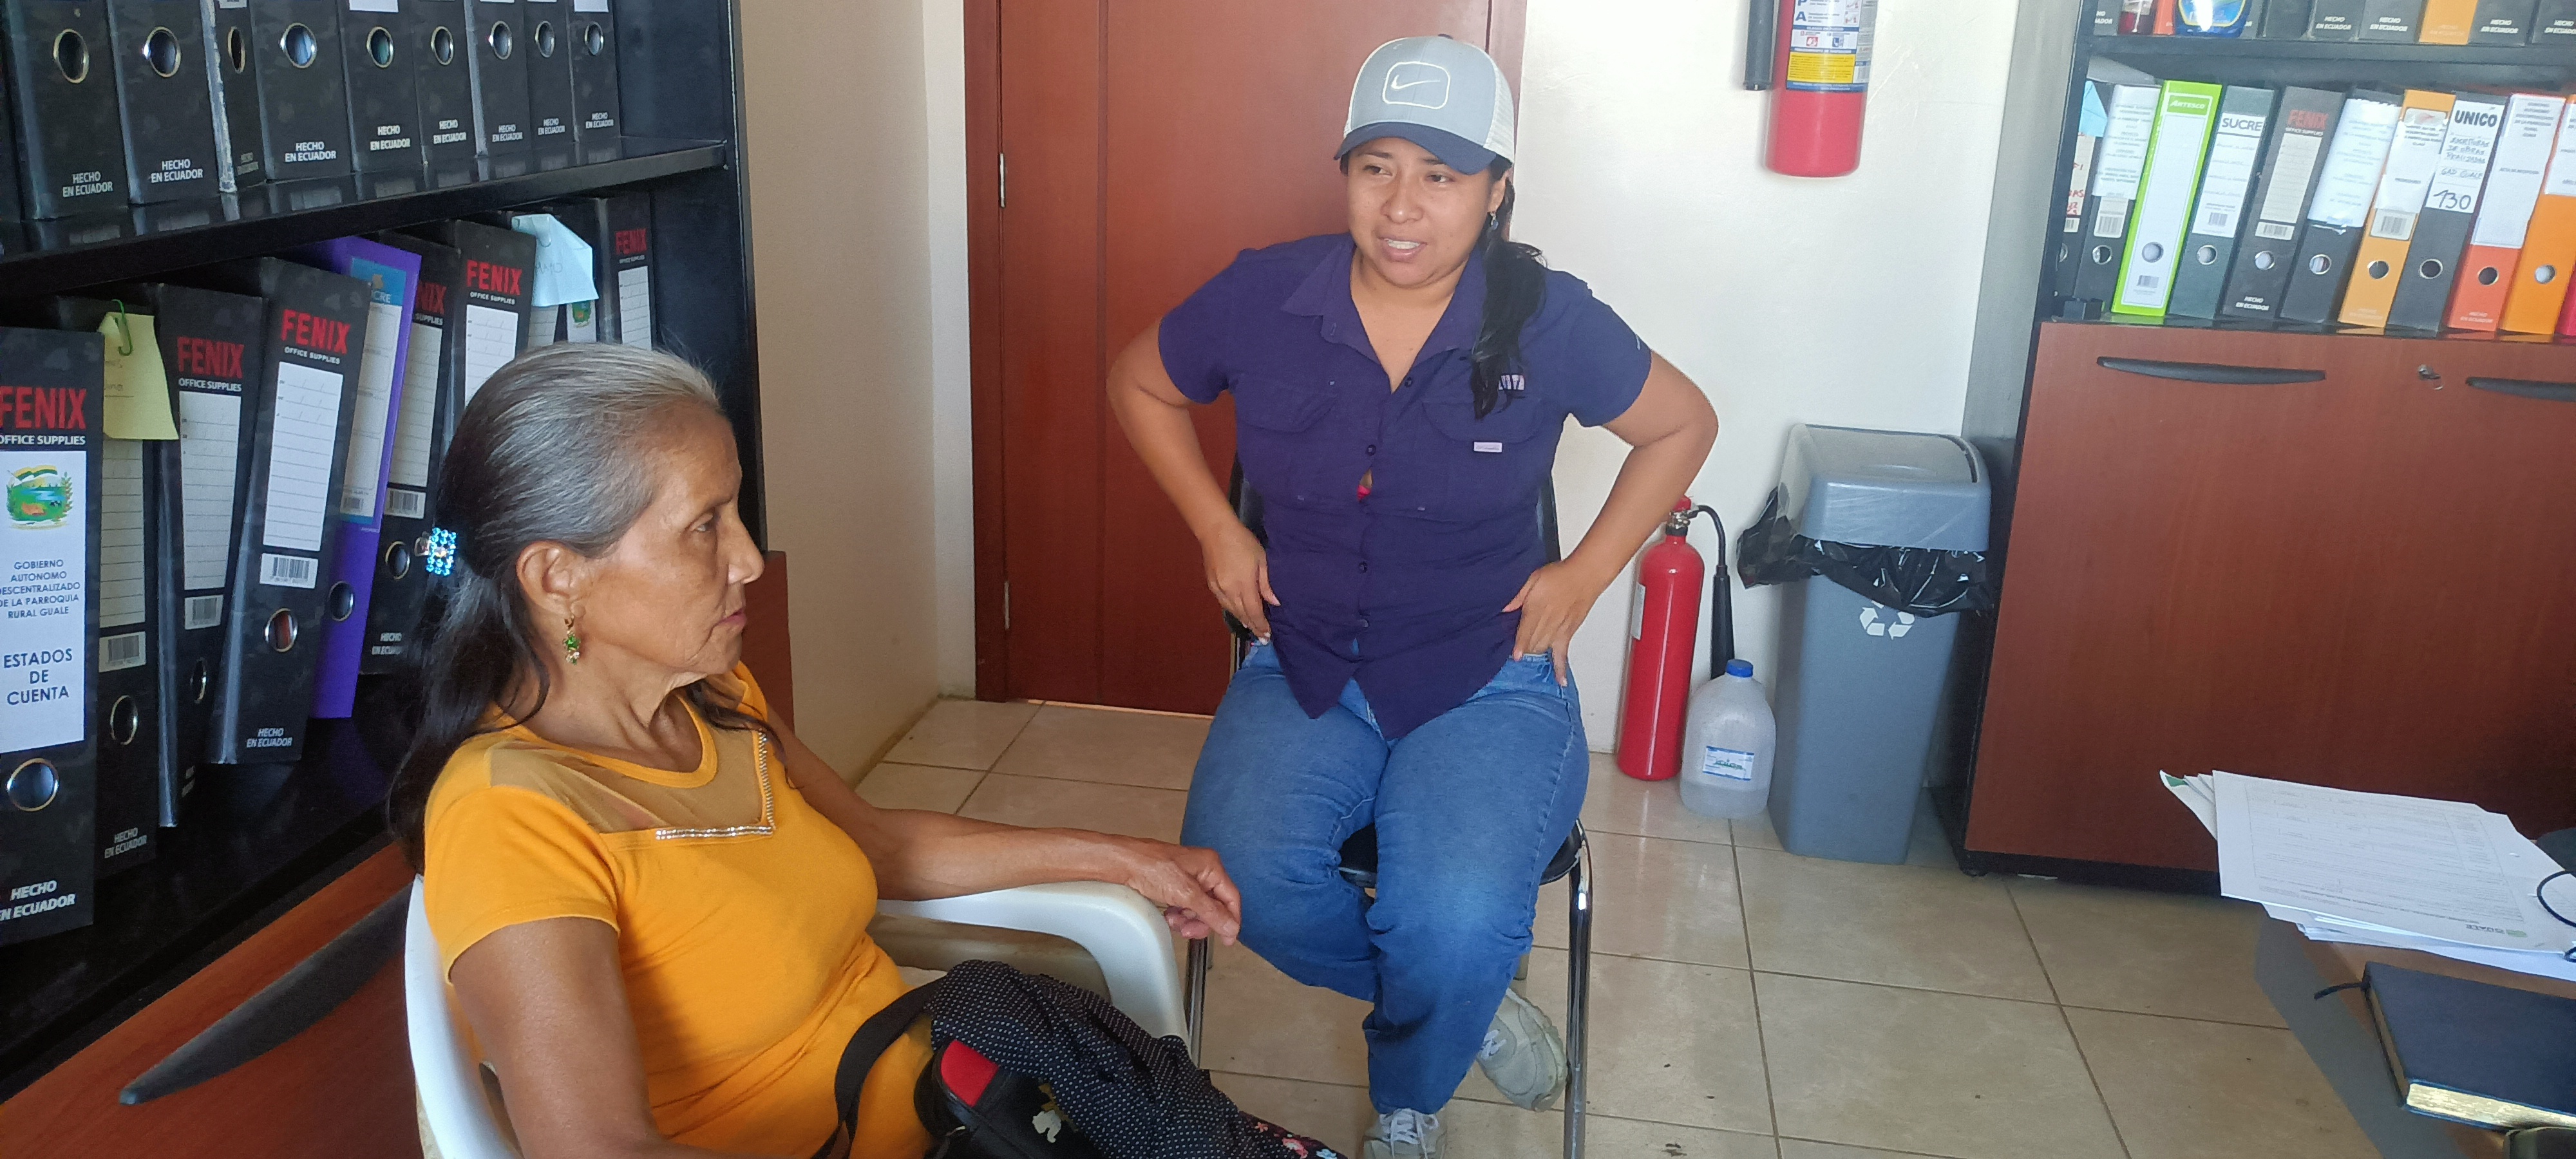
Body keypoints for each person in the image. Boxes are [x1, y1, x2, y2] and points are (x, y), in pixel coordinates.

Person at [391, 344, 1248, 1159]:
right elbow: (595, 1148)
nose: (749, 560)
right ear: (557, 577)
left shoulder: (714, 701)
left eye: (736, 513)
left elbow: (877, 846)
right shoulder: (510, 818)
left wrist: (1128, 860)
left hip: (968, 1108)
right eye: (705, 526)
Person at [1106, 34, 1719, 1159]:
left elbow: (1683, 423)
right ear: (1344, 173)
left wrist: (1585, 573)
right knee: (1240, 882)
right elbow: (1139, 381)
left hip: (1490, 674)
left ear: (1496, 191)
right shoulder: (1264, 296)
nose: (1402, 206)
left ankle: (1410, 1100)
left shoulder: (1547, 318)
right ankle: (1465, 1006)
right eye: (1376, 167)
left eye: (1442, 175)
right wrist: (1216, 526)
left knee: (1452, 916)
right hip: (1307, 662)